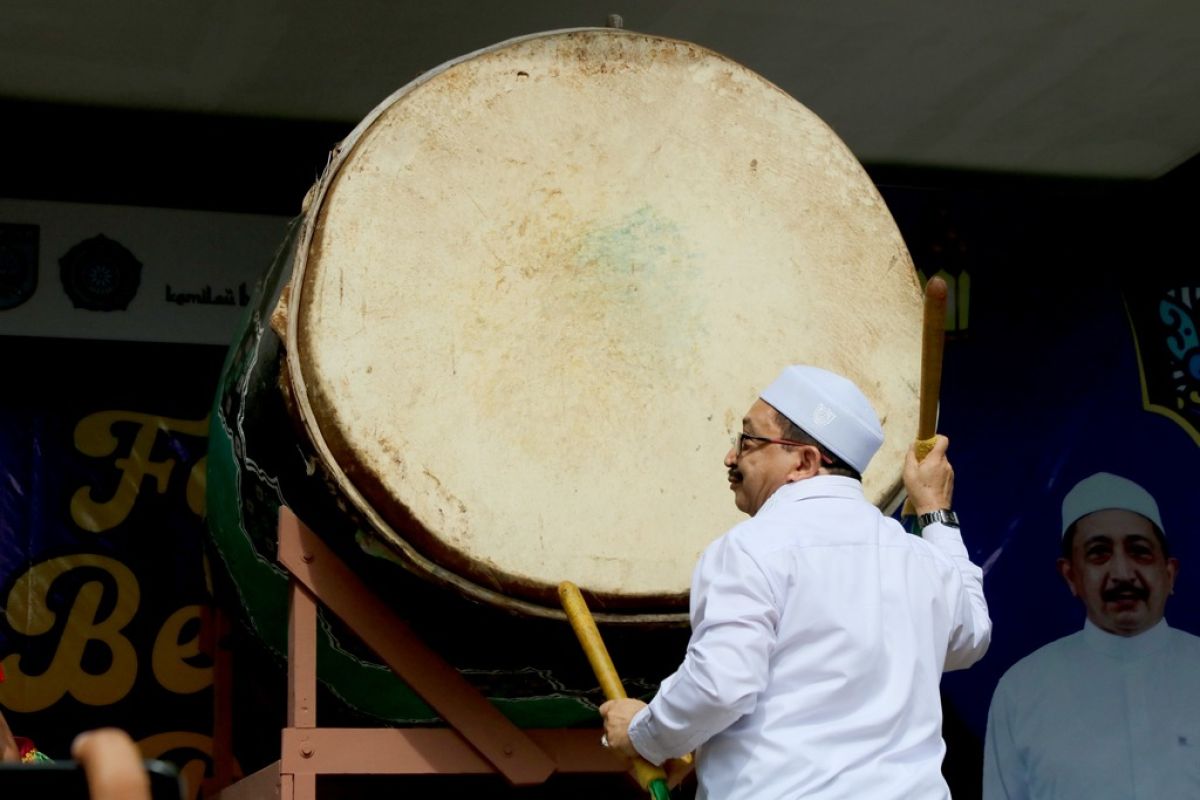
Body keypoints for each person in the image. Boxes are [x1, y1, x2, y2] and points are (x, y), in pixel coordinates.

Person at [600, 364, 991, 799]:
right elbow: (971, 635)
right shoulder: (921, 560)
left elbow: (719, 685)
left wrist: (642, 733)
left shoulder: (752, 548)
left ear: (803, 461)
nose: (731, 457)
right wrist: (935, 509)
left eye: (748, 440)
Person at [983, 471, 1200, 800]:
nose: (1123, 574)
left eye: (1139, 551)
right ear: (1071, 575)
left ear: (1169, 574)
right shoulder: (1022, 690)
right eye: (1099, 553)